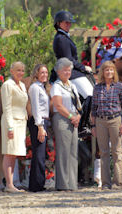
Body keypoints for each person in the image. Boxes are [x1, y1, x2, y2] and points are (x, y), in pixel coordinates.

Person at [50, 10, 93, 136]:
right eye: (66, 22)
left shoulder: (64, 36)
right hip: (68, 70)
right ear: (58, 23)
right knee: (90, 93)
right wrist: (83, 68)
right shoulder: (61, 38)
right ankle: (83, 126)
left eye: (70, 23)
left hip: (70, 69)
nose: (69, 24)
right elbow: (69, 60)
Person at [91, 60, 122, 190]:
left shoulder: (119, 86)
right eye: (107, 70)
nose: (109, 72)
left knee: (117, 152)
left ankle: (118, 183)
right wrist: (93, 126)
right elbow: (93, 108)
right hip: (100, 121)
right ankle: (106, 183)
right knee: (104, 153)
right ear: (103, 72)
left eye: (111, 70)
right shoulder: (97, 87)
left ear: (114, 72)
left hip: (115, 120)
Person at [50, 57, 81, 191]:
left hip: (73, 119)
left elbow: (78, 104)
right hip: (62, 118)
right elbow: (58, 104)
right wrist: (71, 116)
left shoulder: (72, 85)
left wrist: (78, 116)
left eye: (69, 70)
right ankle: (62, 184)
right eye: (64, 70)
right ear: (58, 72)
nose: (67, 73)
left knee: (73, 151)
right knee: (63, 151)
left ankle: (72, 183)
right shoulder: (56, 86)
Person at [1, 61, 28, 193]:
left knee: (14, 153)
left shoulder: (22, 85)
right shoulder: (7, 85)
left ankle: (11, 185)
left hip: (21, 121)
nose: (21, 73)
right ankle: (9, 185)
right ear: (11, 71)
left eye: (22, 70)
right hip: (10, 121)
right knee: (9, 152)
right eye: (18, 70)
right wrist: (10, 127)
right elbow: (6, 107)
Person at [27, 64, 50, 192]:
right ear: (36, 74)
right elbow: (36, 108)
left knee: (40, 154)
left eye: (46, 72)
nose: (45, 75)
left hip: (42, 121)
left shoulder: (41, 87)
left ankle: (38, 183)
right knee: (38, 154)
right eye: (42, 72)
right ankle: (36, 185)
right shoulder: (35, 88)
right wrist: (40, 126)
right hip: (38, 123)